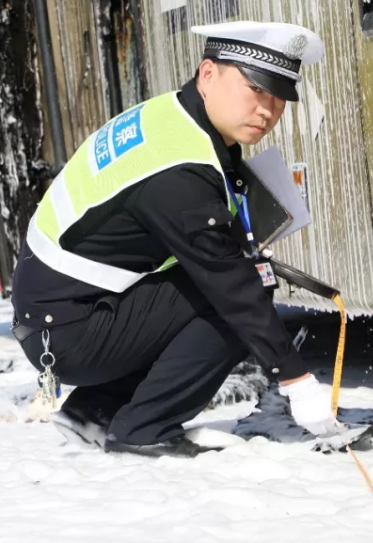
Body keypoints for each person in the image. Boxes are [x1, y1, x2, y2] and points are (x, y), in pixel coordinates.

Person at [10, 21, 342, 458]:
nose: (268, 110)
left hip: (58, 309)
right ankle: (143, 428)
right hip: (68, 330)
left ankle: (94, 410)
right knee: (246, 288)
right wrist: (295, 379)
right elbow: (231, 285)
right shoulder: (179, 168)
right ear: (208, 74)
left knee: (231, 280)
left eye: (279, 98)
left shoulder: (173, 117)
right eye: (255, 90)